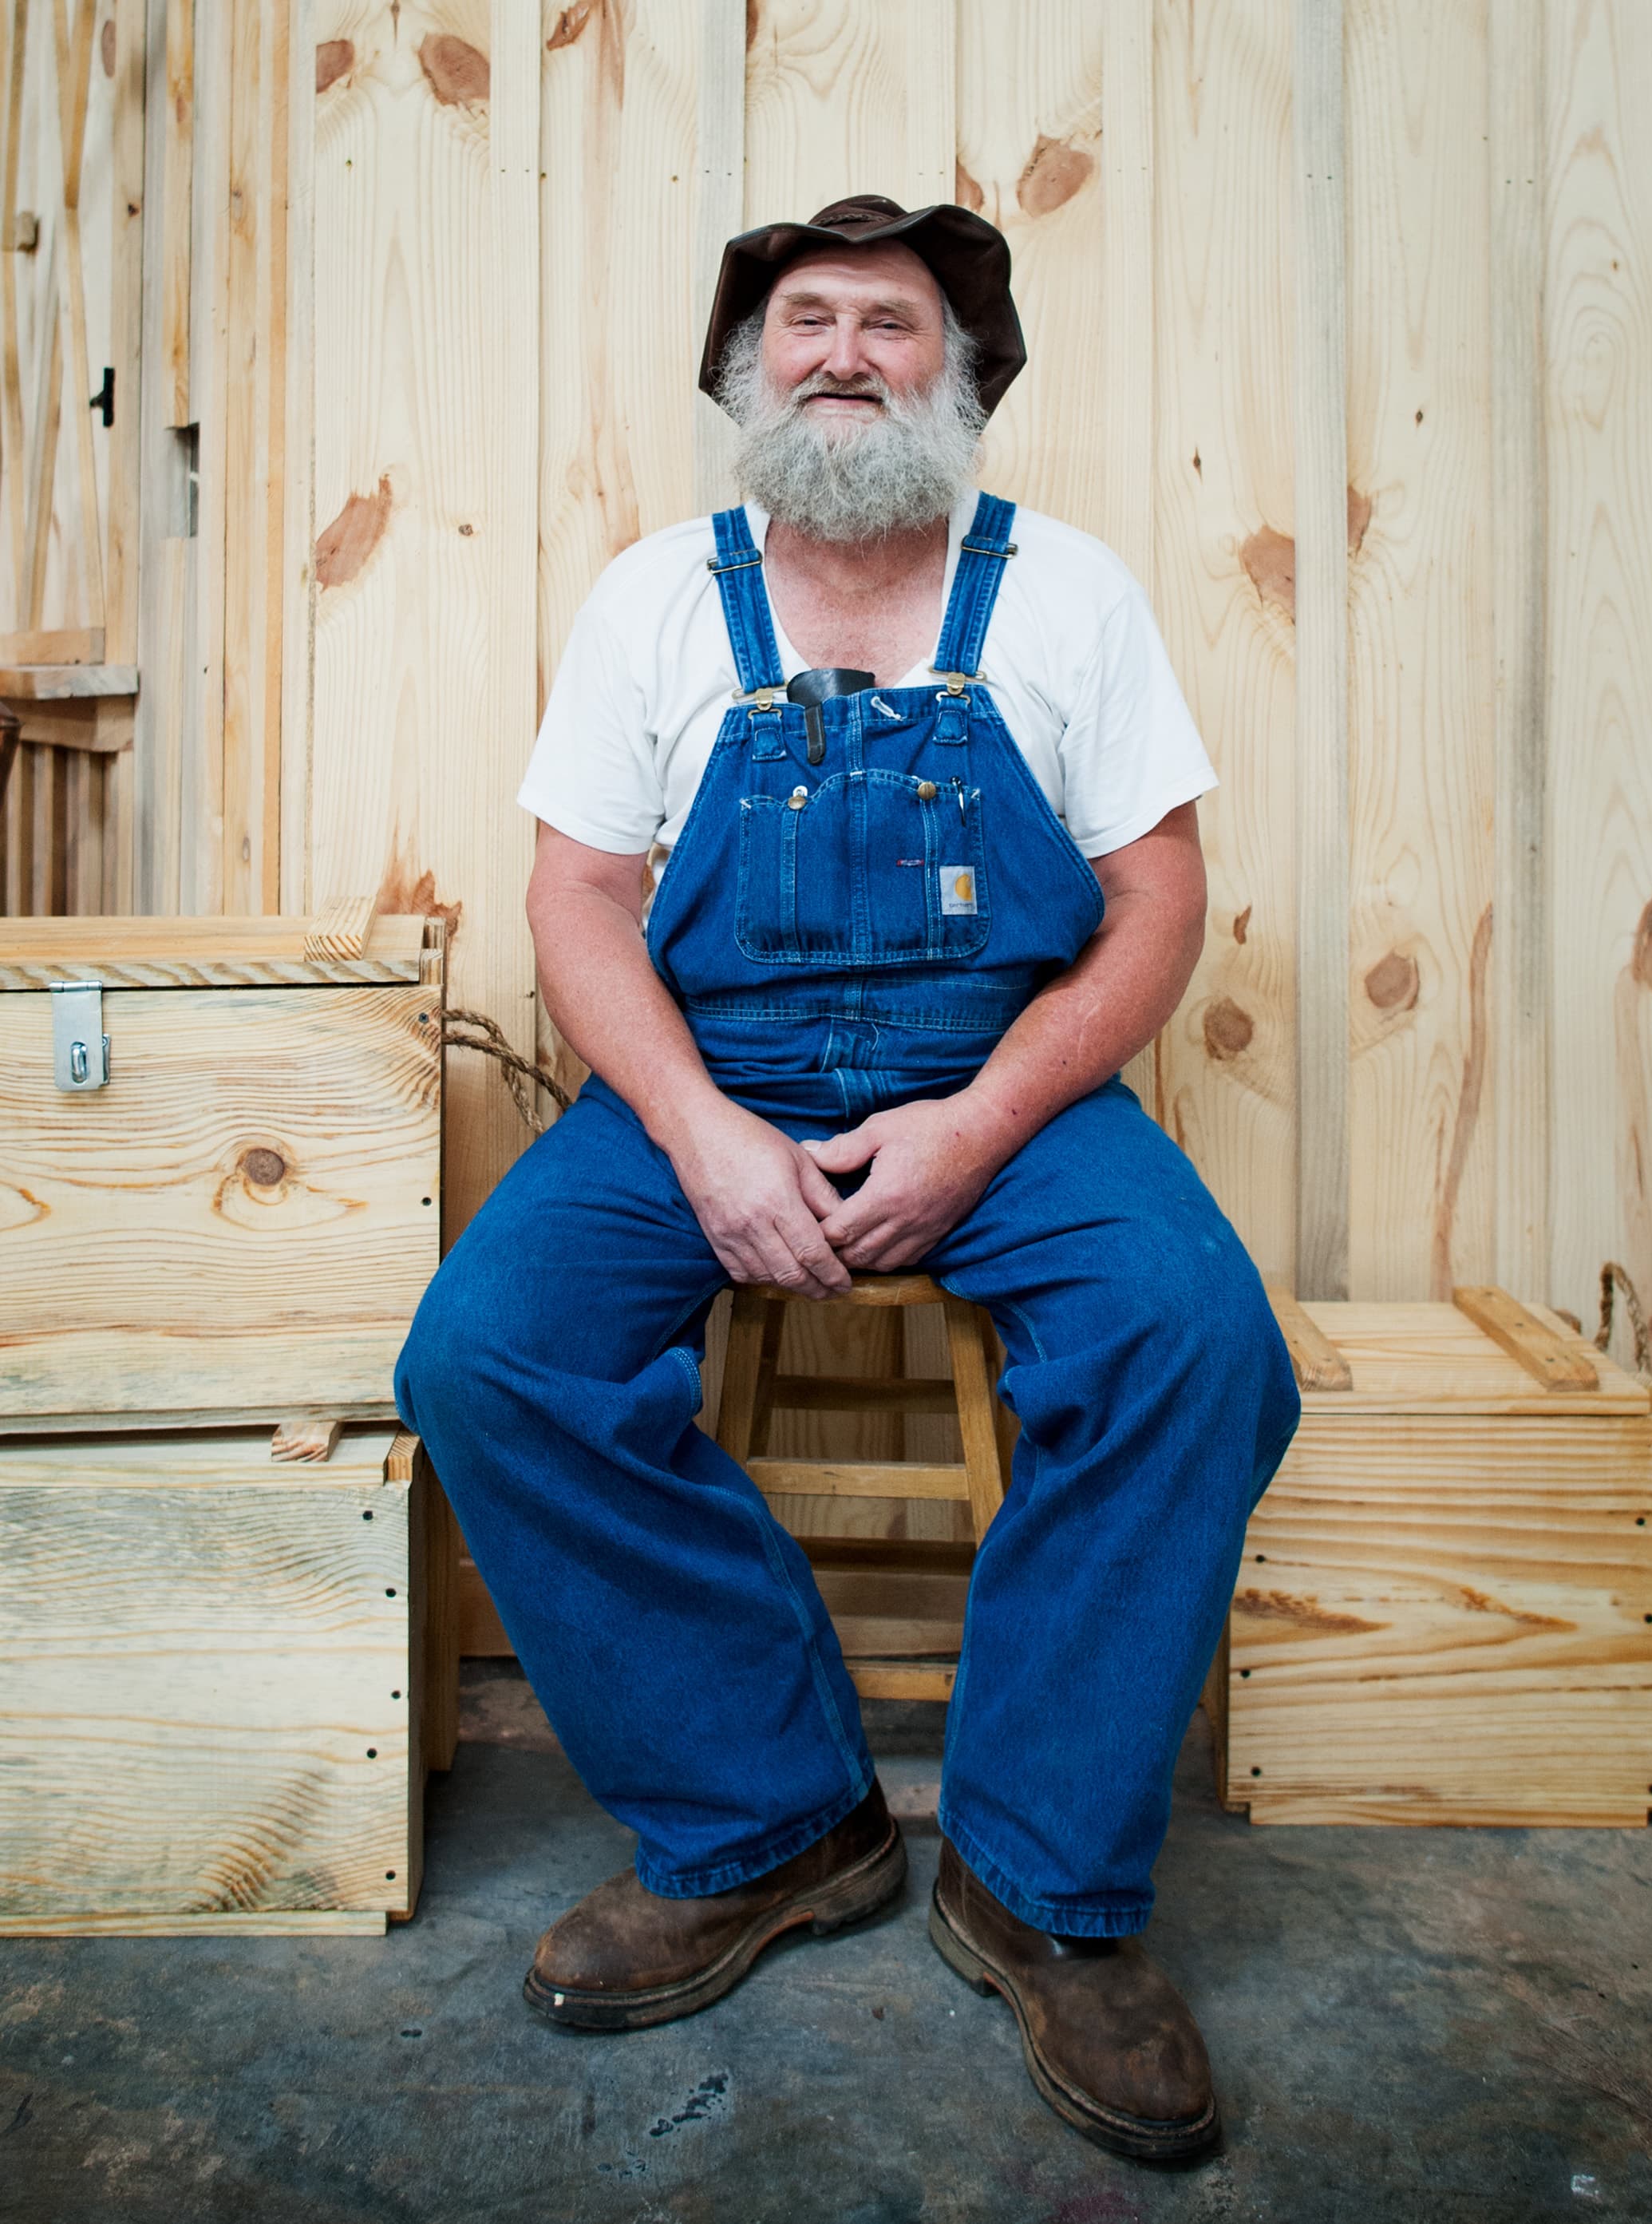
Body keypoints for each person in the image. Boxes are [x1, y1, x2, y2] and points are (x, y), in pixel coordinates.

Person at [396, 194, 1299, 2164]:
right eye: (802, 321)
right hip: (705, 1082)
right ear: (746, 373)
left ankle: (1041, 1885)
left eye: (888, 325)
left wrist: (979, 1123)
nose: (839, 354)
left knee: (1199, 1341)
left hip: (1006, 1091)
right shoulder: (654, 597)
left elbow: (1156, 904)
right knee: (486, 1355)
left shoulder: (1068, 594)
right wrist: (701, 1131)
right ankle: (767, 1822)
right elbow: (577, 896)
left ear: (957, 377)